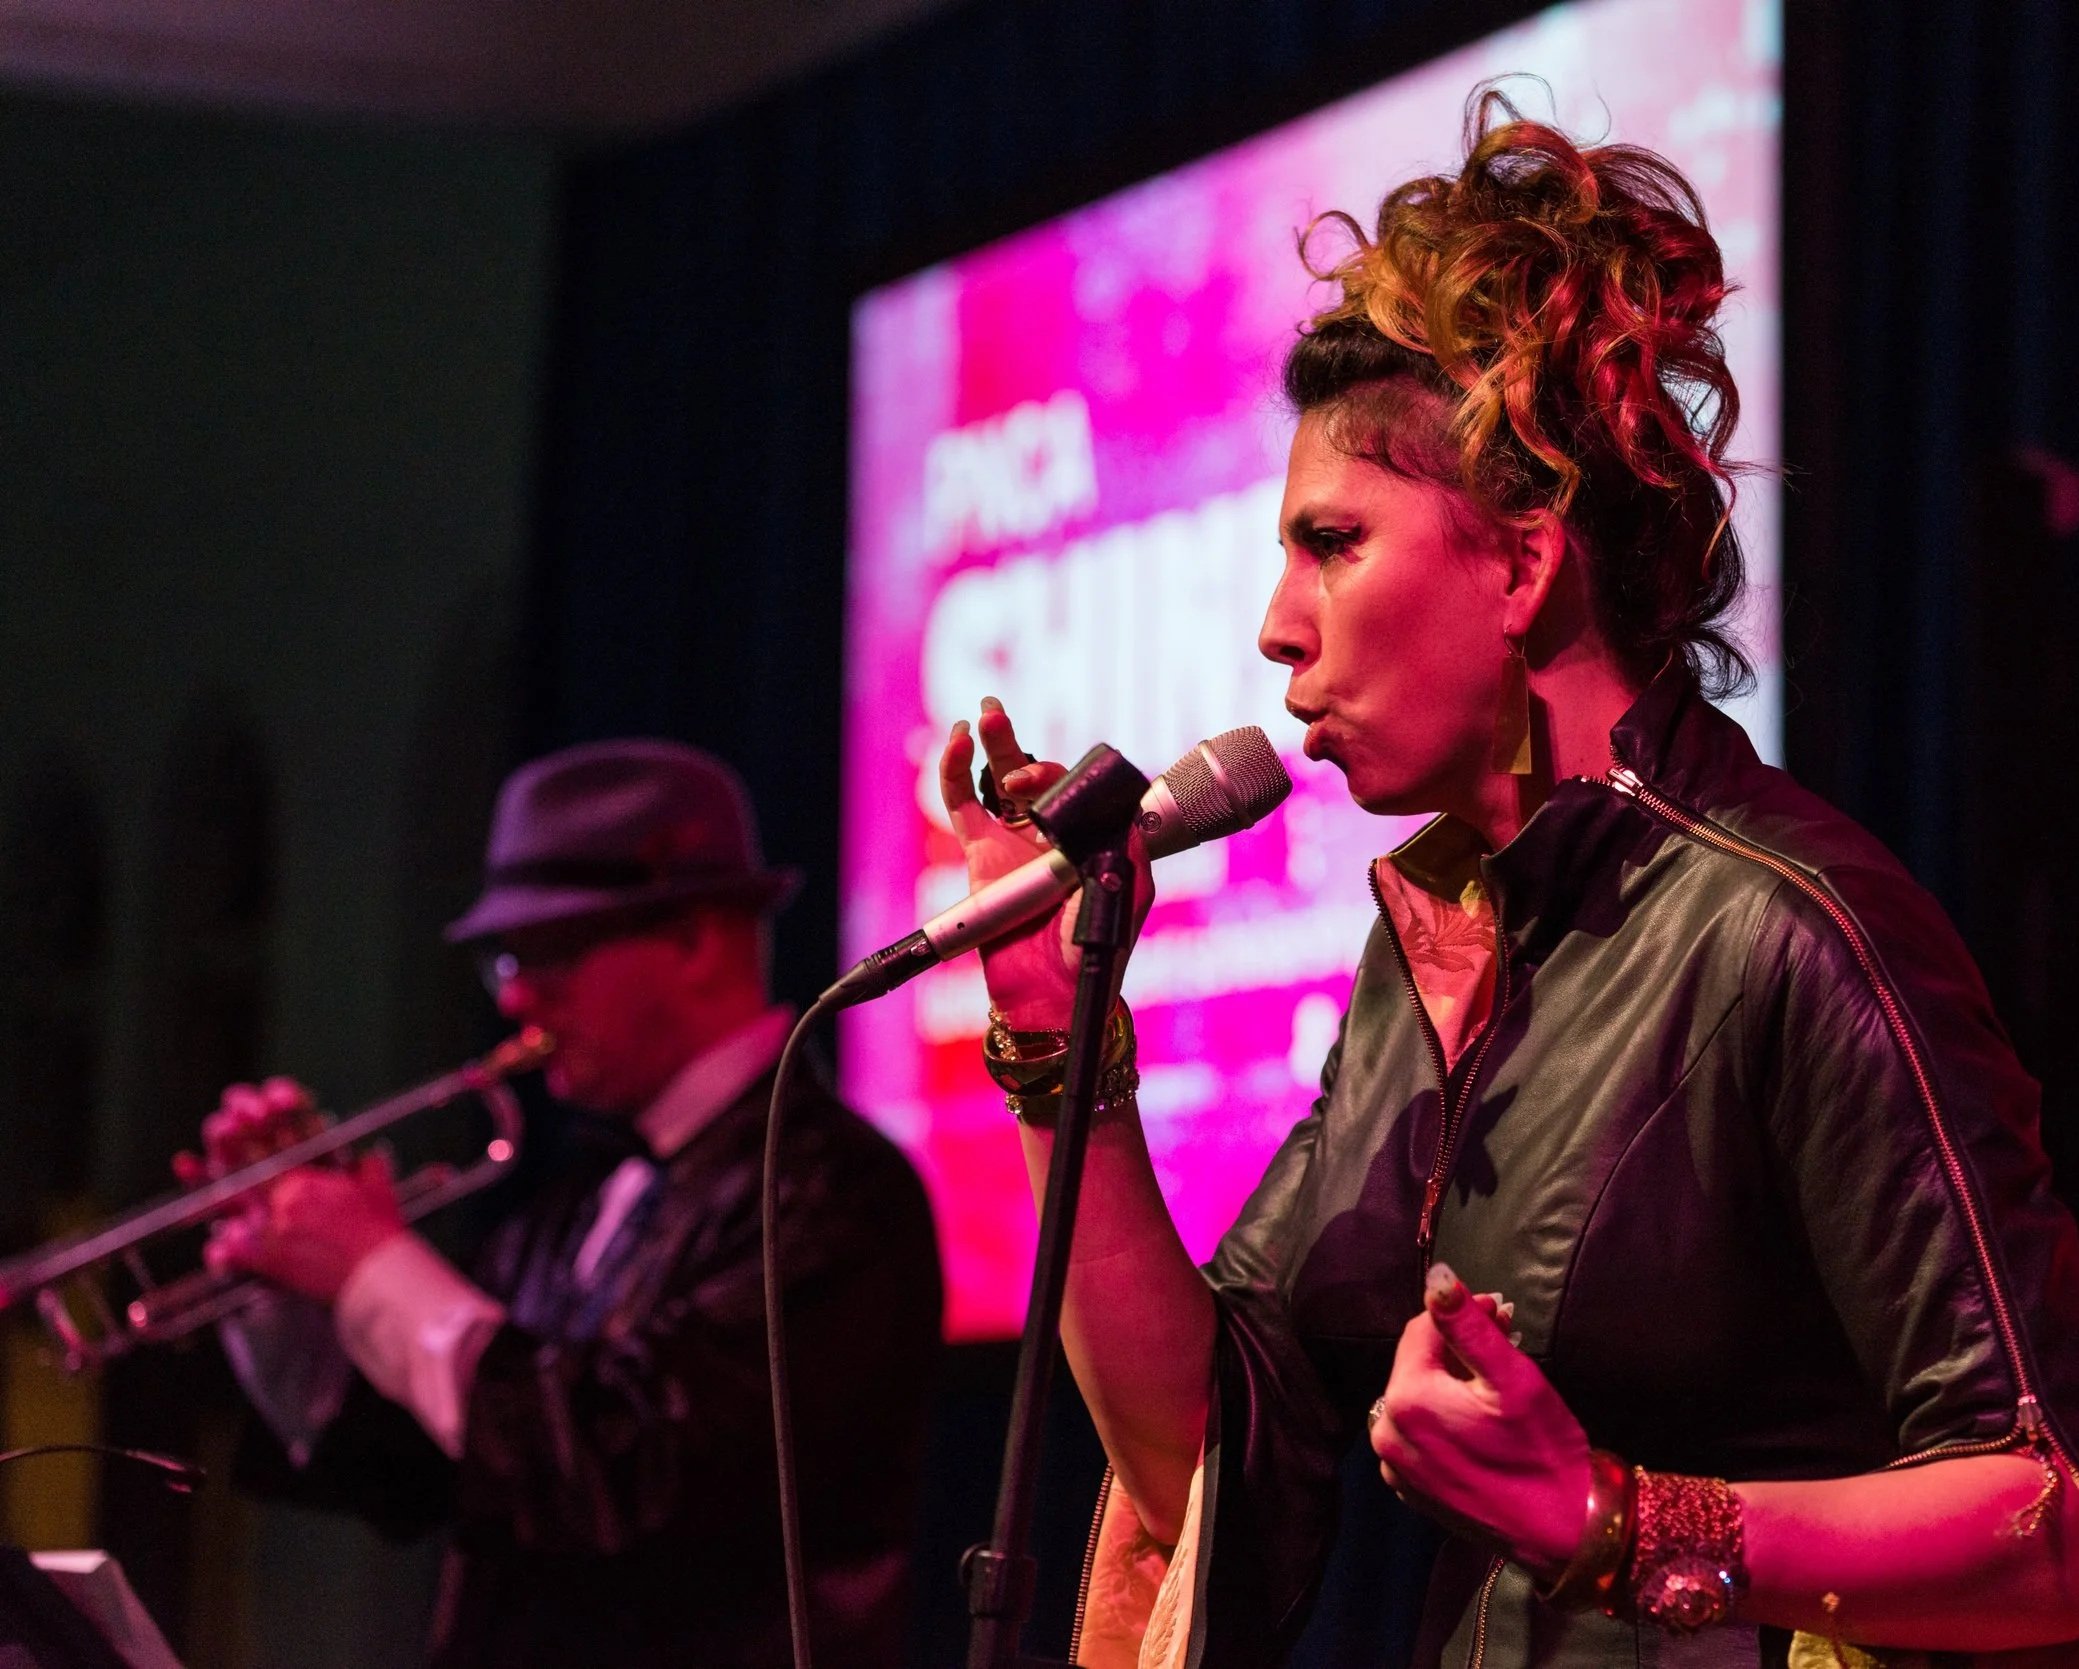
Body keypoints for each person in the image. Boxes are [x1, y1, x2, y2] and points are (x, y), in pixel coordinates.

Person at [937, 92, 2079, 1668]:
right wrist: (1057, 1041)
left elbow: (2044, 1522)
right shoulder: (1426, 953)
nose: (1276, 624)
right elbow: (1201, 1448)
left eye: (1329, 543)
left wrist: (1623, 1521)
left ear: (1521, 563)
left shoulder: (1783, 926)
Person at [189, 740, 943, 1669]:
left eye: (551, 951)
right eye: (504, 960)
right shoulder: (566, 1212)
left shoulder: (838, 1193)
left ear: (693, 939)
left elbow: (628, 1476)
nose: (516, 996)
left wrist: (374, 1269)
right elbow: (430, 1475)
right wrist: (297, 1297)